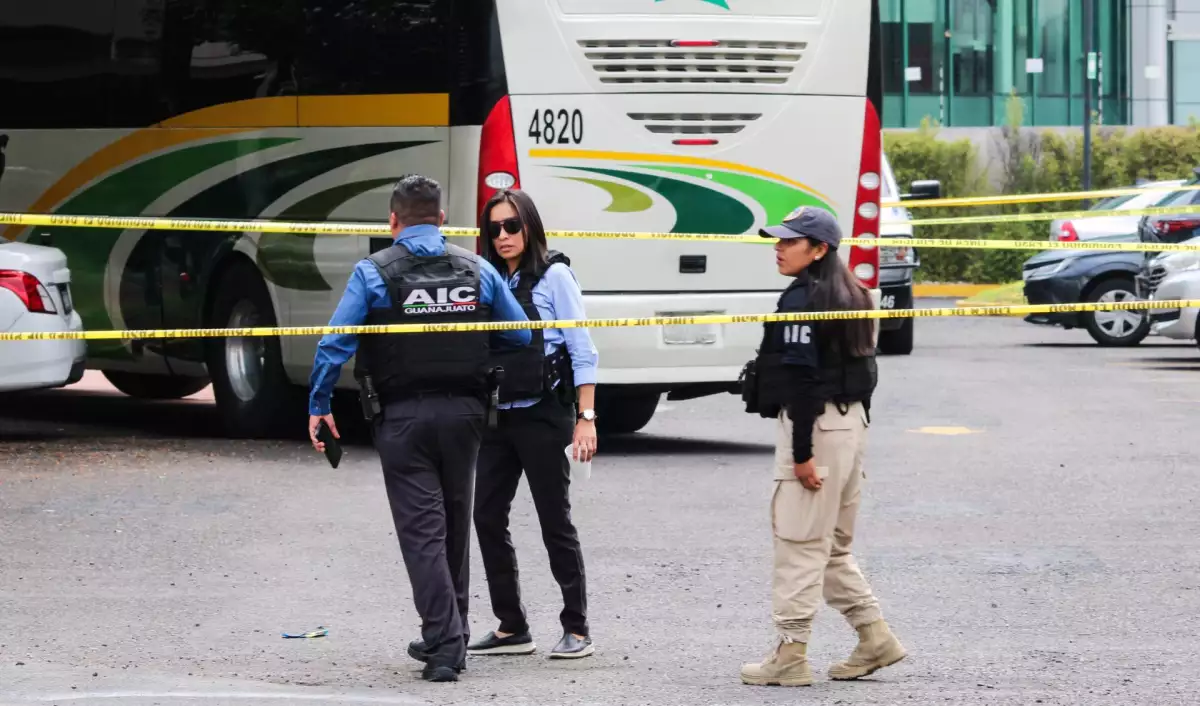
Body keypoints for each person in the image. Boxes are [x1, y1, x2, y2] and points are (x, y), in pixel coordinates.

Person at [307, 175, 532, 683]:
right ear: (442, 220)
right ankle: (448, 632)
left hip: (403, 416)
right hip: (467, 414)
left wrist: (319, 403)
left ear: (393, 221)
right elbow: (520, 334)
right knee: (453, 526)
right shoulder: (476, 268)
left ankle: (445, 645)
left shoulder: (373, 271)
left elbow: (334, 343)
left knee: (422, 534)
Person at [737, 206, 905, 687]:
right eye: (779, 240)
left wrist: (803, 454)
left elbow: (803, 383)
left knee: (799, 544)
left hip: (817, 428)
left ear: (818, 250)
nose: (778, 248)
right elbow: (864, 372)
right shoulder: (855, 293)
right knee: (830, 547)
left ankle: (790, 656)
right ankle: (874, 637)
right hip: (850, 425)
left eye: (790, 241)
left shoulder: (803, 300)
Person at [466, 189, 599, 660]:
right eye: (494, 229)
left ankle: (576, 628)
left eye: (512, 226)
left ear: (530, 226)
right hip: (499, 415)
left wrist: (586, 418)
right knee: (486, 516)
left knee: (554, 520)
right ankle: (512, 626)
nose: (503, 236)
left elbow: (582, 349)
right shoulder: (488, 277)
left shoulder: (555, 275)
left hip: (544, 414)